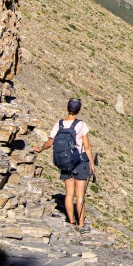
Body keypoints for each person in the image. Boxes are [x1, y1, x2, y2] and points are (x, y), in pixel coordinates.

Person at [34, 98, 97, 229]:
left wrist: (41, 148)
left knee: (69, 194)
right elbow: (87, 146)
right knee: (79, 195)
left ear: (67, 108)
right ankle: (80, 224)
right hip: (80, 162)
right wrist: (91, 163)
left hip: (65, 162)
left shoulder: (59, 124)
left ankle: (71, 221)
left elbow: (50, 142)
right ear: (79, 110)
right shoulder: (81, 125)